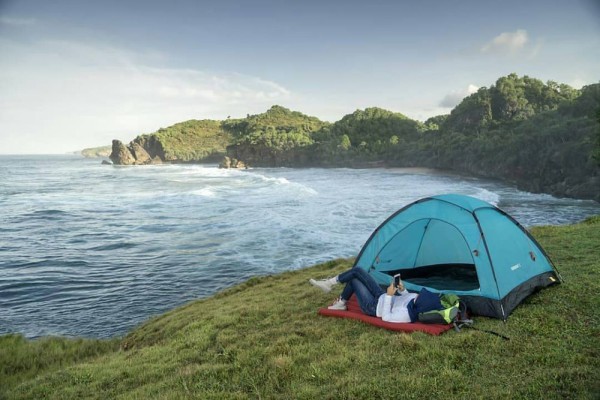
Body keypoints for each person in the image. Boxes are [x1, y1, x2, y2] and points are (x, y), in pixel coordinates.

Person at [310, 267, 442, 323]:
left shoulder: (406, 315)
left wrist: (390, 295)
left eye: (419, 297)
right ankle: (330, 284)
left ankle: (340, 300)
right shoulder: (414, 299)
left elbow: (386, 317)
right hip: (381, 296)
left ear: (420, 305)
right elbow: (405, 297)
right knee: (358, 270)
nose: (417, 295)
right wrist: (402, 289)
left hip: (373, 307)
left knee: (354, 280)